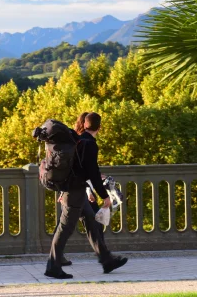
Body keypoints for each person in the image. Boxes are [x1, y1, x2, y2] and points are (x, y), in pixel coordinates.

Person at [45, 112, 128, 279]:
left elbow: (74, 168)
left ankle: (106, 260)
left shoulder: (78, 139)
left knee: (92, 222)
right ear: (99, 127)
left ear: (85, 125)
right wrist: (104, 195)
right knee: (65, 228)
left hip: (77, 191)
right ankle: (53, 266)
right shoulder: (89, 144)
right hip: (75, 192)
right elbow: (92, 172)